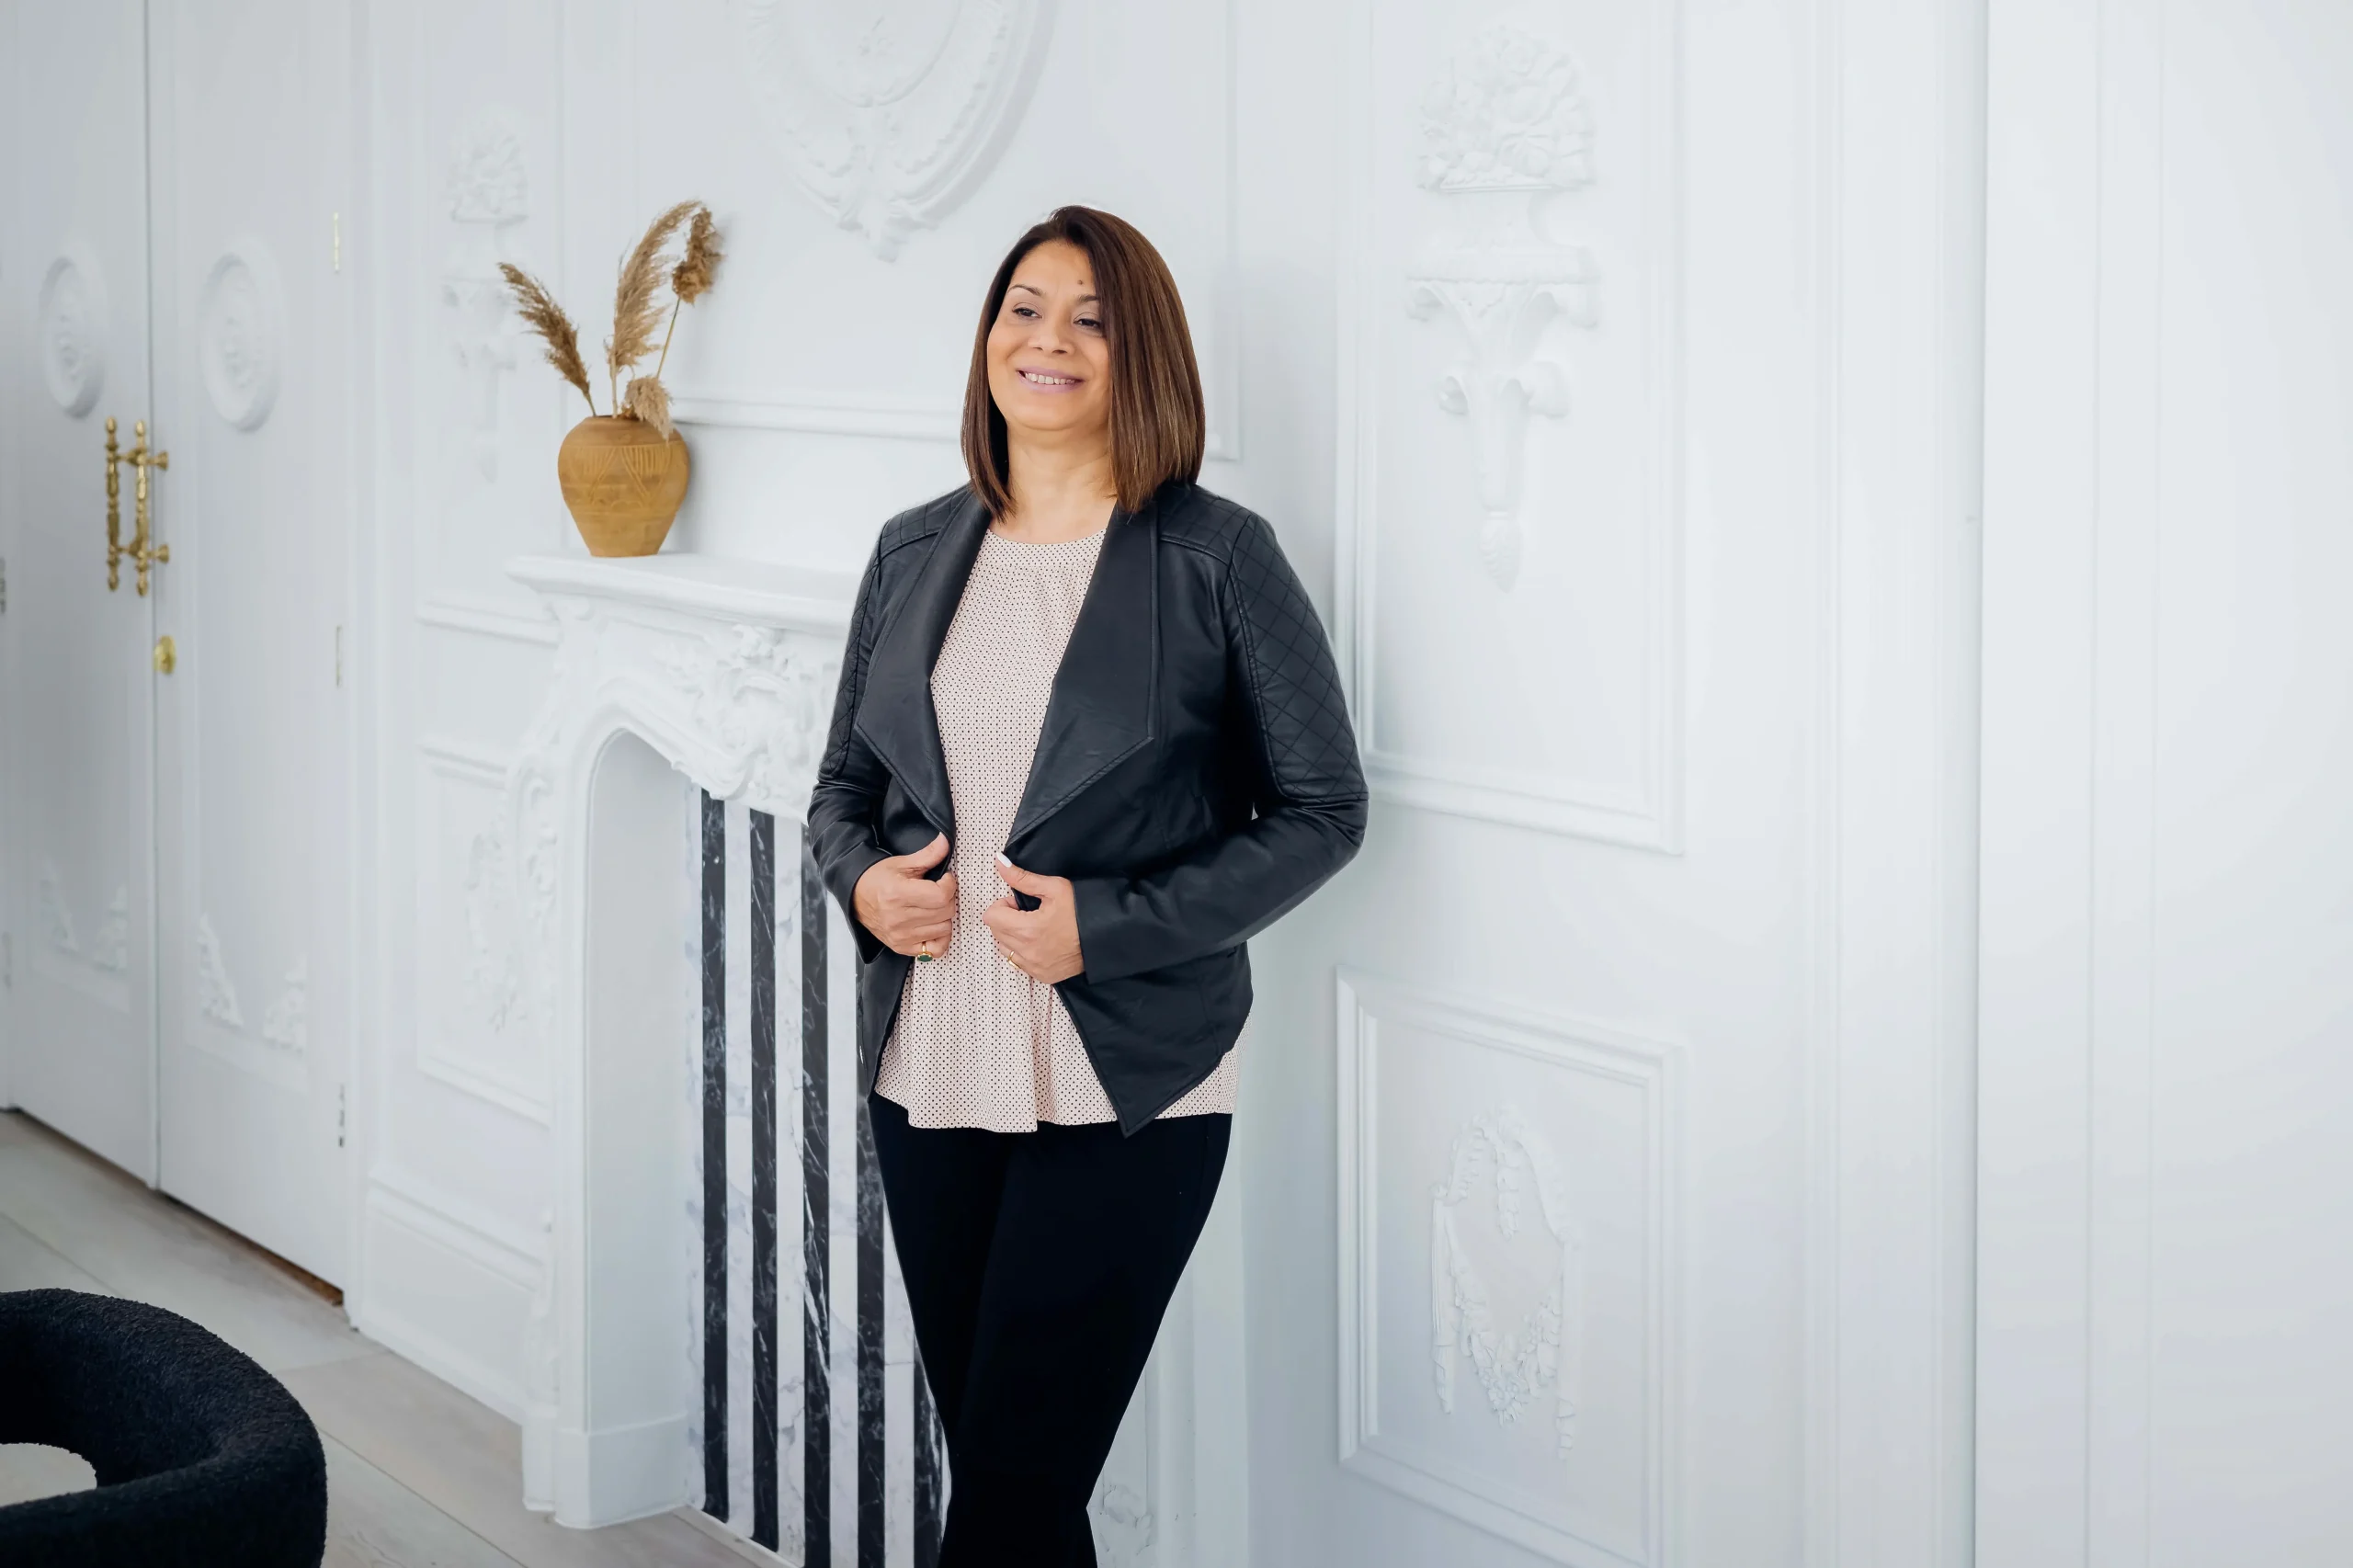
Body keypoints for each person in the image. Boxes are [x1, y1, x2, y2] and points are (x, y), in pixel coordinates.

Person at [808, 205, 1366, 1564]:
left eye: (1091, 318)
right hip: (931, 1065)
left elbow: (1324, 810)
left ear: (1142, 355)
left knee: (1009, 1490)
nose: (1046, 338)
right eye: (1024, 307)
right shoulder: (910, 549)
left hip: (1129, 1076)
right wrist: (865, 884)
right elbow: (839, 791)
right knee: (1020, 1490)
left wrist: (1104, 926)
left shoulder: (1219, 555)